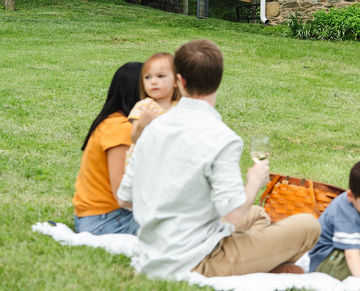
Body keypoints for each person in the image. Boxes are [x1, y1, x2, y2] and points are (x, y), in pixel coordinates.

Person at [117, 39, 320, 279]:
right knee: (308, 226)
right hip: (196, 260)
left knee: (257, 214)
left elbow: (124, 199)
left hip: (153, 250)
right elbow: (233, 213)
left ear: (179, 81)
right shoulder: (222, 138)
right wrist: (255, 181)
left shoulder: (151, 129)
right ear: (218, 80)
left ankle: (269, 266)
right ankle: (265, 267)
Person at [72, 61, 143, 235]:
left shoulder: (111, 121)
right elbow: (121, 193)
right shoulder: (120, 128)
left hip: (96, 217)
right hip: (105, 221)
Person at [127, 52, 179, 154]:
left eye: (160, 76)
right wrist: (142, 124)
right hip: (146, 160)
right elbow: (134, 138)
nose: (153, 81)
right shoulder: (144, 106)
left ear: (176, 81)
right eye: (147, 77)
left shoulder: (180, 106)